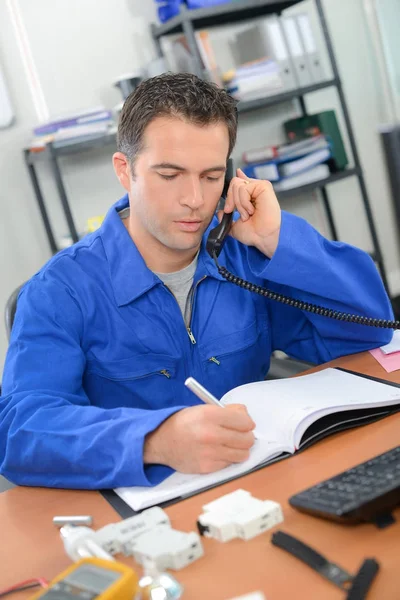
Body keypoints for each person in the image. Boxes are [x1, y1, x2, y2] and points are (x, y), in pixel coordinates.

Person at [0, 73, 393, 490]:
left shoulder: (241, 255)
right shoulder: (60, 290)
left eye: (210, 177)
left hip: (255, 482)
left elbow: (367, 333)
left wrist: (278, 241)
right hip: (142, 509)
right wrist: (153, 440)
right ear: (124, 170)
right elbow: (21, 429)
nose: (194, 199)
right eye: (170, 175)